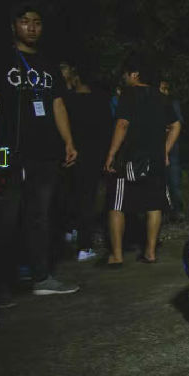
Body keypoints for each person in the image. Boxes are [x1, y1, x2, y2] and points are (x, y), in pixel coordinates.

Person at [0, 3, 80, 297]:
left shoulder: (48, 65)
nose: (32, 27)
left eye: (37, 22)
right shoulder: (2, 59)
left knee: (40, 215)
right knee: (4, 216)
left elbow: (57, 104)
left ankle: (41, 278)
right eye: (25, 21)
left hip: (45, 151)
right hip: (9, 149)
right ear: (14, 25)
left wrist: (68, 141)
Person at [103, 57, 181, 265]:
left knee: (117, 204)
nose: (124, 78)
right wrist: (164, 150)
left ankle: (117, 255)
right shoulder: (161, 97)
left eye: (125, 74)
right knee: (154, 204)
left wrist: (111, 154)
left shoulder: (128, 94)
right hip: (155, 159)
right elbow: (176, 125)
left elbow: (122, 124)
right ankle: (150, 252)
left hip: (129, 157)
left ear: (134, 74)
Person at [59, 61, 112, 261]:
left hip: (73, 153)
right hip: (94, 154)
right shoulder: (101, 99)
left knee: (72, 194)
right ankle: (84, 244)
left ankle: (71, 232)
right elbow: (106, 128)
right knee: (87, 199)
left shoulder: (68, 100)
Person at [159, 79, 185, 222]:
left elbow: (177, 124)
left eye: (167, 89)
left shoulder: (172, 103)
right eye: (163, 89)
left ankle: (178, 210)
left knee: (174, 181)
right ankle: (163, 212)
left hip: (173, 148)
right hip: (158, 146)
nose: (165, 92)